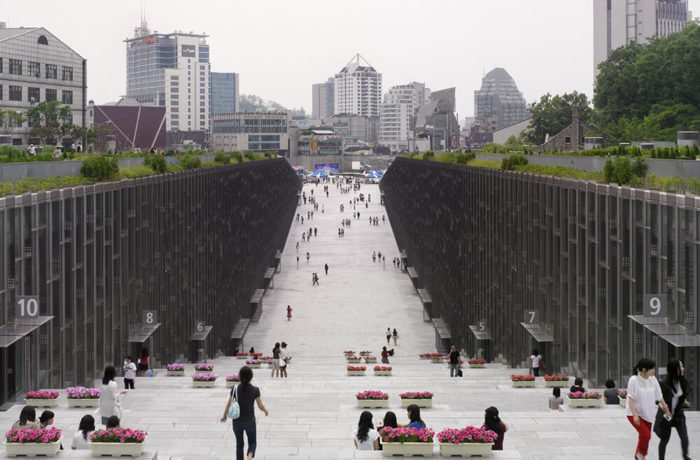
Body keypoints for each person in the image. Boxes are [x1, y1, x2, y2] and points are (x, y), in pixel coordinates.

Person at [626, 358, 672, 460]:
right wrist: (634, 415)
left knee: (644, 437)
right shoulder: (633, 380)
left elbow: (659, 395)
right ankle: (641, 455)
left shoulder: (653, 379)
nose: (654, 371)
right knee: (646, 435)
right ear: (643, 369)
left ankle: (639, 457)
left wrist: (665, 408)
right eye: (652, 369)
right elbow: (630, 398)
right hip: (634, 413)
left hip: (648, 413)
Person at [220, 366, 269, 460]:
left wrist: (224, 416)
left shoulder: (235, 389)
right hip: (250, 421)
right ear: (251, 377)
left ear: (240, 376)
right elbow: (260, 405)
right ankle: (249, 456)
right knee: (252, 442)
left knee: (239, 444)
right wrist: (265, 410)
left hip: (237, 421)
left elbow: (228, 404)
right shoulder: (255, 390)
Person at [655, 358, 690, 460]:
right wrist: (665, 409)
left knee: (684, 437)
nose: (683, 368)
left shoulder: (682, 381)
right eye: (681, 366)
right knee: (665, 439)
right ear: (675, 369)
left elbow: (680, 396)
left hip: (678, 414)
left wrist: (683, 403)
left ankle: (685, 456)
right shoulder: (664, 383)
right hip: (667, 415)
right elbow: (658, 400)